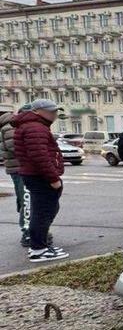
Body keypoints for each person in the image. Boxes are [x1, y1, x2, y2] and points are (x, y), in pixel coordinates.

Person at [12, 99, 67, 262]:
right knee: (43, 213)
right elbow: (40, 157)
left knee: (44, 211)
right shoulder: (35, 128)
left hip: (35, 176)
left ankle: (41, 246)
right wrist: (53, 179)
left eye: (56, 111)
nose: (55, 114)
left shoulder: (34, 126)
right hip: (40, 177)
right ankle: (38, 249)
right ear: (36, 111)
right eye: (51, 111)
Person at [1, 104, 33, 247]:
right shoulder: (10, 128)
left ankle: (32, 231)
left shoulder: (15, 126)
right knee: (26, 201)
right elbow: (17, 148)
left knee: (26, 200)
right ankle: (27, 233)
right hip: (20, 169)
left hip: (21, 169)